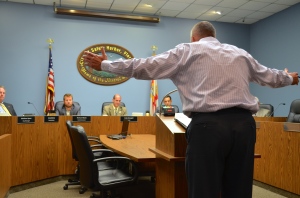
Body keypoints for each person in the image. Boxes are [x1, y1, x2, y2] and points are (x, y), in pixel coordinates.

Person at [83, 21, 299, 198]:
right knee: (239, 190)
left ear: (194, 38)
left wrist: (106, 65)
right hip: (244, 127)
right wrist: (289, 78)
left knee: (204, 190)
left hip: (208, 128)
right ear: (213, 35)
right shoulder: (239, 53)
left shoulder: (186, 50)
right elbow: (269, 75)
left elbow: (145, 66)